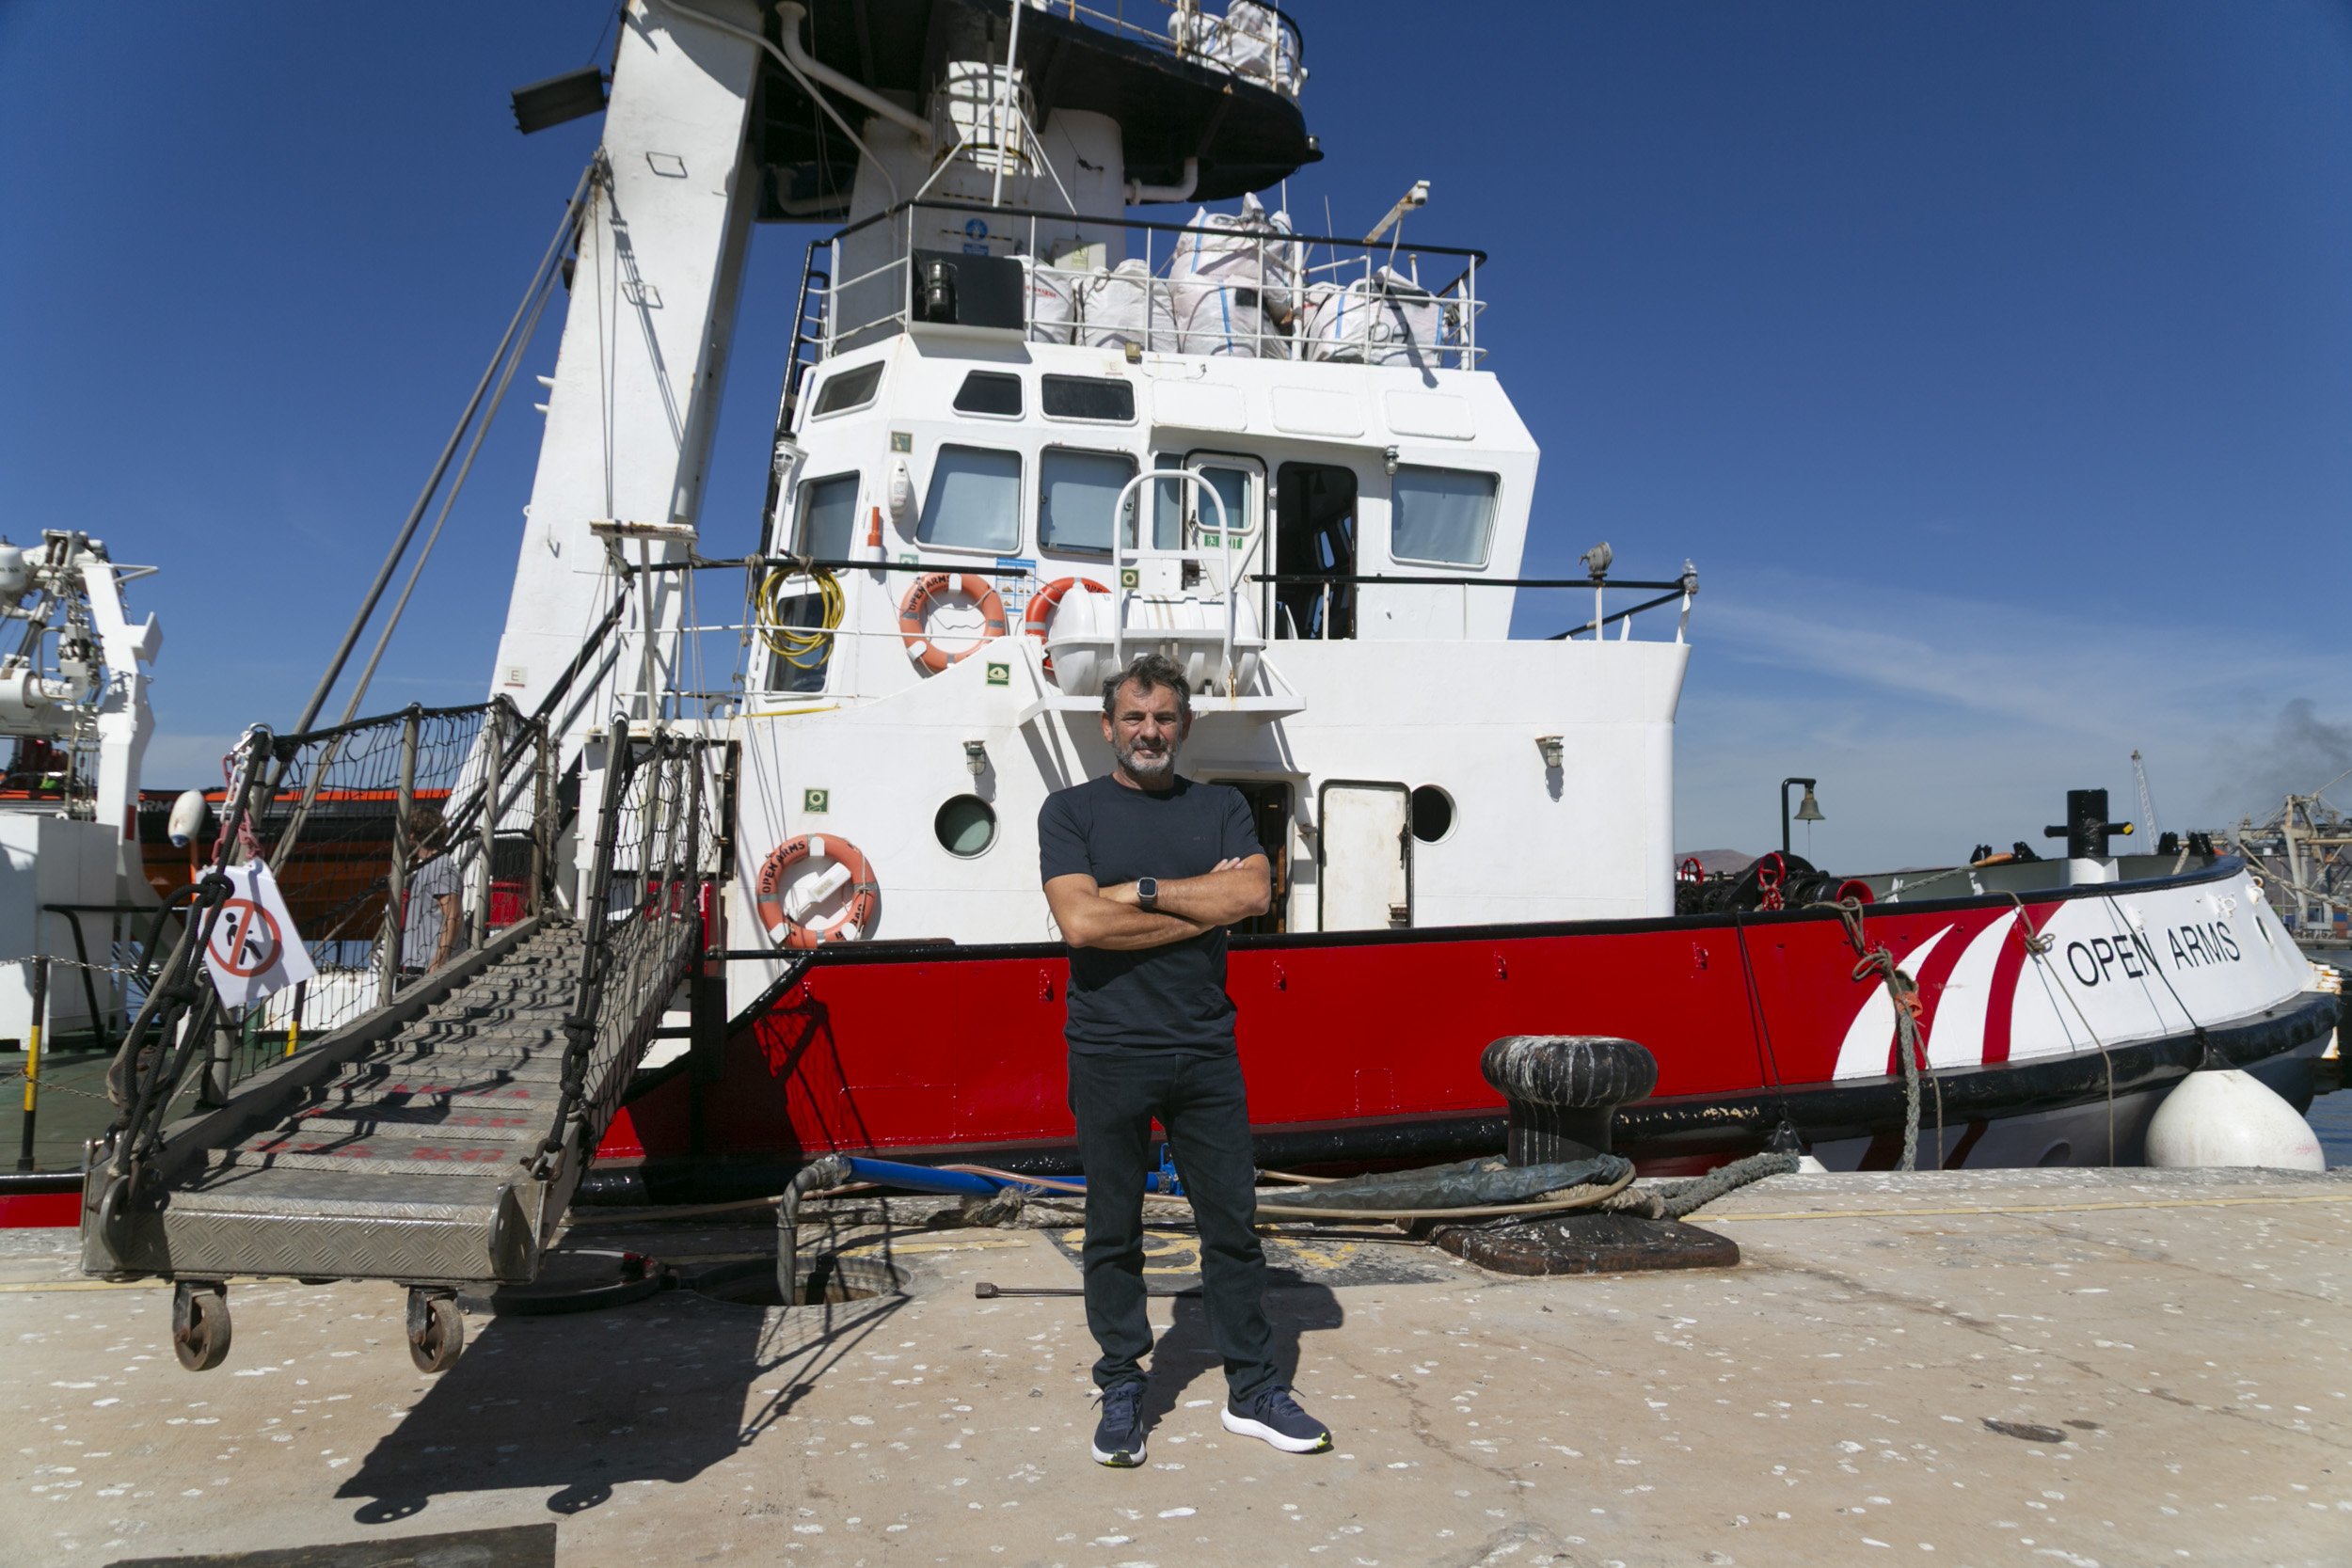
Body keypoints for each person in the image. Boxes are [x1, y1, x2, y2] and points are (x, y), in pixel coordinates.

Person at [1039, 652, 1333, 1468]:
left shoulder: (1223, 805)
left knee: (1232, 1227)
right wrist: (1189, 902)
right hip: (1108, 1049)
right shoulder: (1069, 812)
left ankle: (1253, 1387)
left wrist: (1131, 892)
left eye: (1164, 716)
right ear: (1108, 727)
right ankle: (1123, 1383)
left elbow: (1250, 897)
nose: (1149, 731)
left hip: (1205, 1046)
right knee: (1111, 1228)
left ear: (1185, 724)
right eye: (1135, 717)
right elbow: (1082, 928)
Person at [399, 816, 463, 978]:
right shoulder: (426, 866)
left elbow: (453, 916)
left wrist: (437, 963)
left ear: (411, 835)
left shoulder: (440, 867)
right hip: (417, 962)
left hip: (428, 966)